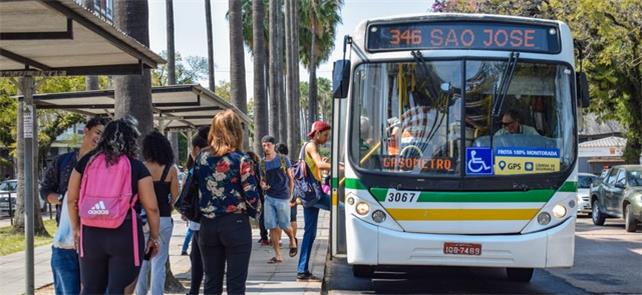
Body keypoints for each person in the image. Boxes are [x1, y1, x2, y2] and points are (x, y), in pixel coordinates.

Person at [67, 117, 161, 295]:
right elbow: (152, 207)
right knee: (119, 290)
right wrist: (154, 237)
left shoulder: (86, 162)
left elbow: (72, 199)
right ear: (132, 140)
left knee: (90, 289)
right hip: (125, 234)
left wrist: (76, 228)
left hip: (90, 233)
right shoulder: (136, 167)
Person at [41, 116, 109, 295]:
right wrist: (64, 199)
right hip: (66, 240)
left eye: (103, 136)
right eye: (97, 132)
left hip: (95, 242)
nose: (99, 138)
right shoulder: (62, 161)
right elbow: (45, 191)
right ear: (86, 131)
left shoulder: (105, 164)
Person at [195, 109, 260, 294]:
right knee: (236, 284)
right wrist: (254, 212)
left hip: (207, 225)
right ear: (236, 131)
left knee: (211, 283)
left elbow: (192, 187)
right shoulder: (241, 159)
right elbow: (252, 196)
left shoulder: (202, 158)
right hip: (235, 223)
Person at [135, 131, 180, 295]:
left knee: (142, 262)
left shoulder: (141, 167)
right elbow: (175, 197)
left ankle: (140, 293)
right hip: (164, 219)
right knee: (159, 263)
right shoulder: (171, 169)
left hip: (143, 219)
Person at [297, 120, 332, 281]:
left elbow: (315, 166)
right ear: (317, 134)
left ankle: (302, 270)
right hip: (314, 194)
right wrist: (342, 166)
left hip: (308, 194)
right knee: (341, 207)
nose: (327, 138)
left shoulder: (309, 146)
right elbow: (318, 164)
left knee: (309, 233)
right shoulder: (311, 146)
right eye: (325, 135)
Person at [260, 136, 297, 264]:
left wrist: (291, 195)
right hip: (269, 197)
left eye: (268, 145)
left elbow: (291, 178)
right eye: (263, 145)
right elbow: (262, 179)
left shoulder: (283, 159)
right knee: (272, 226)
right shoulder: (262, 162)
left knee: (284, 224)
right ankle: (278, 255)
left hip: (283, 197)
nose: (266, 147)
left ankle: (292, 238)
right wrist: (263, 185)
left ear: (274, 145)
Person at [185, 126, 209, 295]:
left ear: (196, 149)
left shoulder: (197, 167)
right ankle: (193, 290)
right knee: (198, 257)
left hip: (199, 219)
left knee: (200, 258)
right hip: (206, 220)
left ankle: (194, 291)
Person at [276, 143, 298, 241]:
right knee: (293, 218)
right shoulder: (293, 163)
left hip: (280, 194)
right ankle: (292, 239)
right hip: (292, 193)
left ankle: (279, 240)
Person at [247, 151, 270, 246]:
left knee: (261, 216)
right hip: (261, 192)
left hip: (257, 192)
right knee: (262, 215)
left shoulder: (252, 166)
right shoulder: (258, 165)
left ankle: (264, 237)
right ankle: (264, 237)